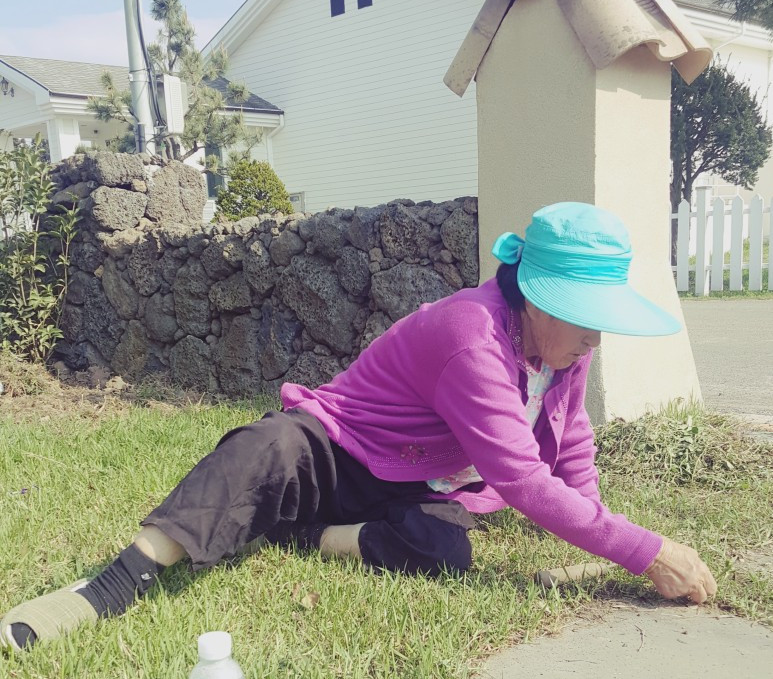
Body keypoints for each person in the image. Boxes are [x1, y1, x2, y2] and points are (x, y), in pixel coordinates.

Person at [1, 201, 716, 652]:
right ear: (535, 298)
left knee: (444, 547)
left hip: (419, 480)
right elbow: (524, 480)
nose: (596, 336)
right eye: (585, 316)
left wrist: (599, 533)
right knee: (265, 447)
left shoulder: (563, 351)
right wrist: (644, 551)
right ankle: (117, 581)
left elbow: (571, 437)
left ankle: (299, 536)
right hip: (341, 452)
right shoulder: (472, 337)